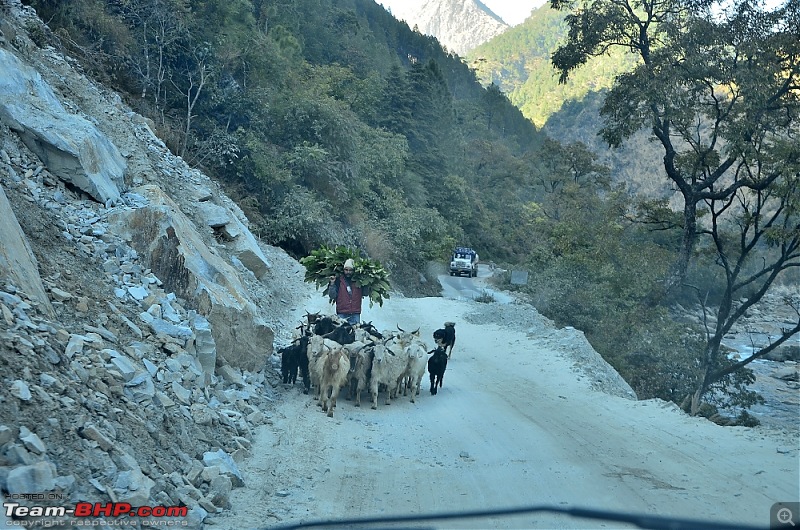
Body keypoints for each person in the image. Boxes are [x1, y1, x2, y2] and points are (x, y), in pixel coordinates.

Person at [327, 259, 370, 325]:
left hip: (355, 313)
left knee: (355, 333)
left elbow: (365, 293)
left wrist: (366, 283)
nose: (348, 272)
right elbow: (332, 296)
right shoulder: (338, 281)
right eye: (346, 270)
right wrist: (332, 284)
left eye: (350, 270)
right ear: (343, 270)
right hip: (342, 313)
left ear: (354, 271)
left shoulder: (359, 281)